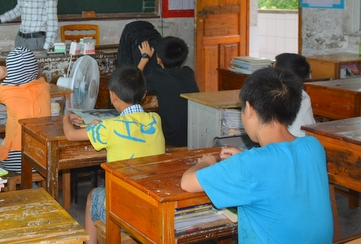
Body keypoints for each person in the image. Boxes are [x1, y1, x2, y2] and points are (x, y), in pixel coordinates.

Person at [180, 67, 333, 243]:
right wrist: (245, 157)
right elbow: (280, 167)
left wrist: (206, 162)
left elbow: (187, 182)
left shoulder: (248, 164)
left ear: (250, 109)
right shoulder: (314, 146)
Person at [63, 65, 165, 244]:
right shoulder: (155, 120)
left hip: (122, 211)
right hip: (152, 206)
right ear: (144, 95)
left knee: (93, 195)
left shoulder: (109, 128)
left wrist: (67, 117)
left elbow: (71, 135)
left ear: (112, 95)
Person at [0, 46, 51, 173]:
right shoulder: (44, 86)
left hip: (17, 160)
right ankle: (31, 182)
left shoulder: (5, 91)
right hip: (44, 157)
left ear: (10, 71)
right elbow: (33, 78)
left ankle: (2, 182)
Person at [138, 36, 199, 147]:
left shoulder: (158, 76)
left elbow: (133, 84)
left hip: (172, 140)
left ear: (159, 59)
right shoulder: (188, 72)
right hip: (194, 135)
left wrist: (145, 57)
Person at [273, 53, 316, 137]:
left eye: (273, 68)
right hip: (309, 139)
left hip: (290, 140)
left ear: (280, 73)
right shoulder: (303, 94)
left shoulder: (280, 95)